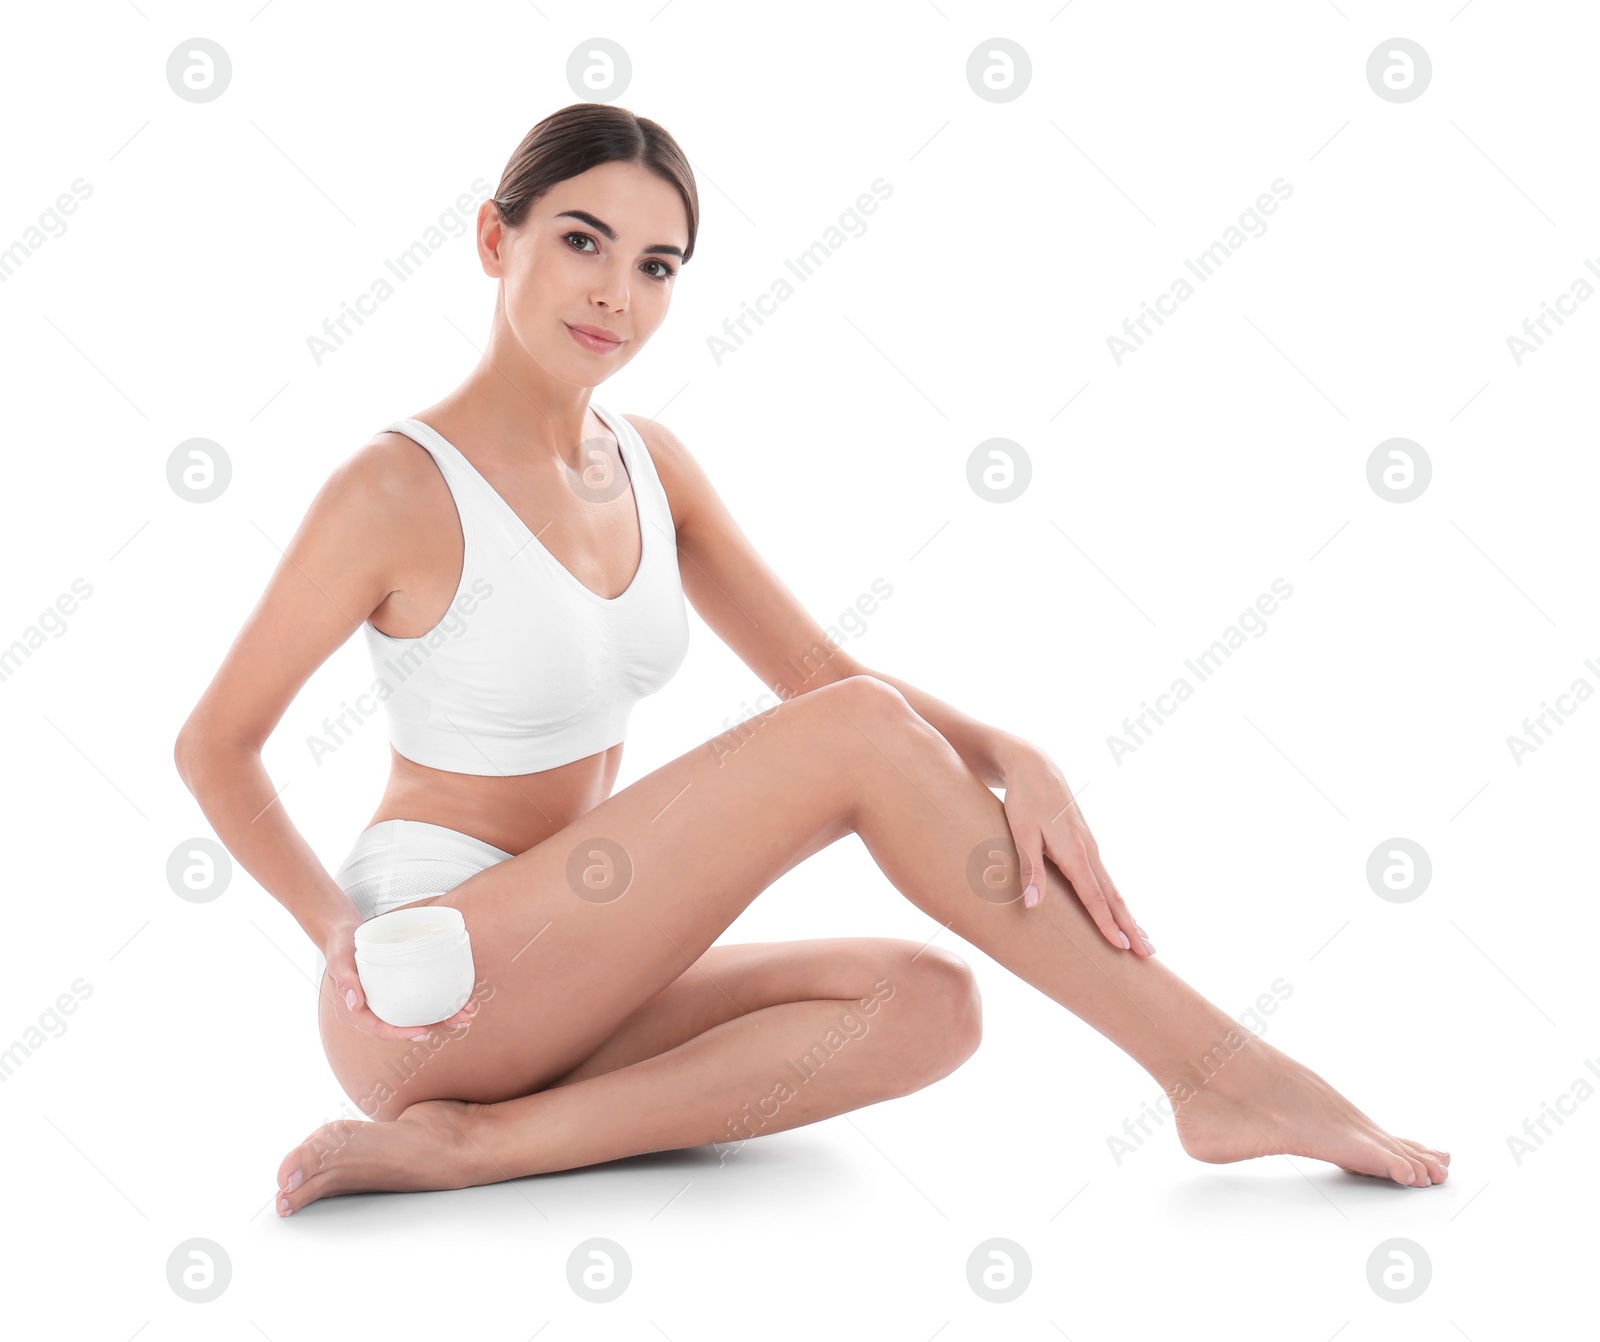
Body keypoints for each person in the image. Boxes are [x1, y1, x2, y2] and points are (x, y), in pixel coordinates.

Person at [173, 103, 1449, 1218]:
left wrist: (1012, 752)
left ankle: (483, 1145)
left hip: (573, 977)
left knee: (930, 1001)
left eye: (657, 264)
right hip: (429, 979)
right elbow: (213, 745)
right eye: (581, 241)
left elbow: (821, 672)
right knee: (853, 734)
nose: (618, 292)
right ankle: (1217, 1071)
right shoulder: (394, 487)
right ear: (494, 240)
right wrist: (336, 930)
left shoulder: (650, 465)